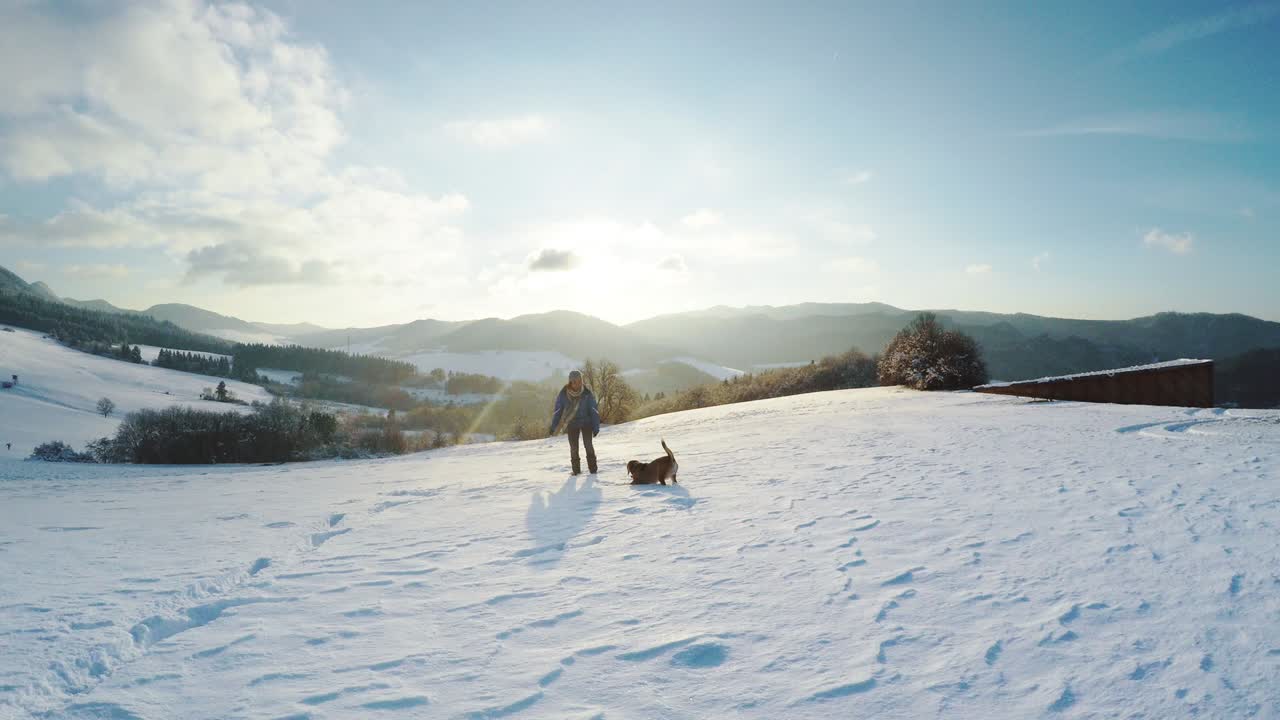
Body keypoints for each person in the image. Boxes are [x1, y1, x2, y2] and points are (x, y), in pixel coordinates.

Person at [549, 369, 600, 475]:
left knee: (588, 445)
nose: (578, 383)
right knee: (574, 448)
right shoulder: (564, 394)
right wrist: (553, 426)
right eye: (576, 381)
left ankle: (593, 470)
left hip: (586, 423)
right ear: (571, 382)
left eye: (580, 380)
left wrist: (596, 427)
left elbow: (594, 410)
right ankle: (576, 471)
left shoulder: (586, 392)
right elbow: (558, 411)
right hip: (572, 423)